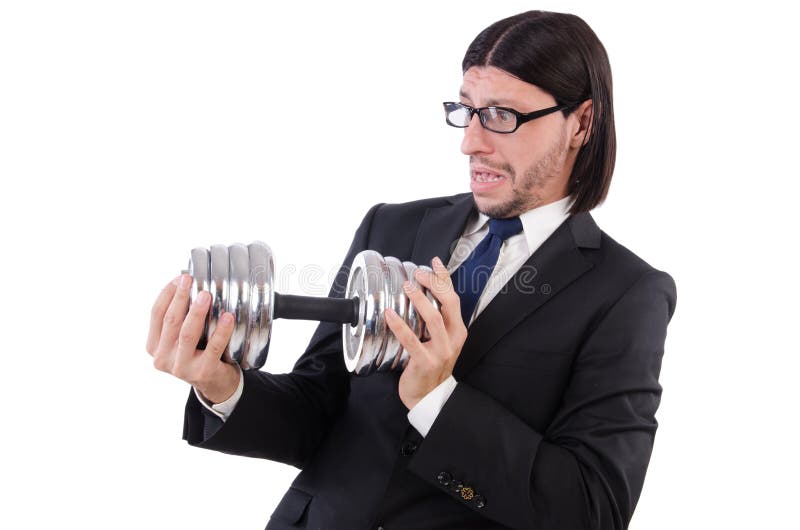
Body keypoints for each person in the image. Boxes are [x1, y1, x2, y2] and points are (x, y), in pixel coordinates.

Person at [146, 10, 676, 530]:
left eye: (502, 116)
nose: (471, 141)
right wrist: (221, 384)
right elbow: (317, 411)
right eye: (466, 110)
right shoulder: (392, 228)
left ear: (581, 122)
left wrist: (436, 399)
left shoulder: (626, 293)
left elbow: (593, 510)